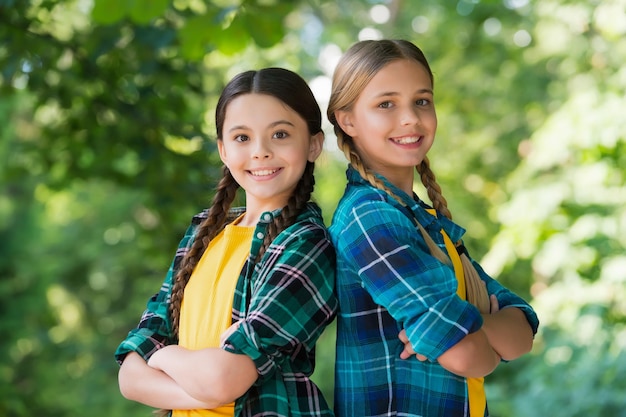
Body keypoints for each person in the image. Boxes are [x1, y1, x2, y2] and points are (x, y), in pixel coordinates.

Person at [326, 39, 540, 417]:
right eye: (386, 104)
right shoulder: (369, 216)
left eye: (421, 101)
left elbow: (522, 329)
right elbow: (468, 356)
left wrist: (470, 329)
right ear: (347, 120)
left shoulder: (424, 219)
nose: (410, 118)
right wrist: (478, 334)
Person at [115, 67, 338, 417]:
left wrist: (160, 355)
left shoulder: (306, 244)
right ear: (222, 149)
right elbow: (129, 378)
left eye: (280, 134)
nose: (260, 151)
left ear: (313, 143)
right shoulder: (204, 232)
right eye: (242, 138)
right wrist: (203, 385)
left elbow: (224, 380)